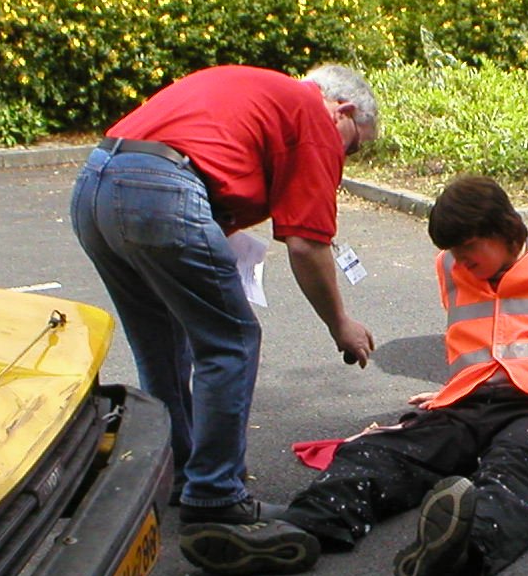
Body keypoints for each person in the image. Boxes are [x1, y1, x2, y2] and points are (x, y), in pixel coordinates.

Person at [178, 176, 528, 576]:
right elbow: (479, 335)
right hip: (469, 398)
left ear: (508, 231)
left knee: (519, 470)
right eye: (454, 253)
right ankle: (302, 527)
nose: (460, 262)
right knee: (384, 453)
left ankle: (461, 552)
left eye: (469, 250)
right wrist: (452, 389)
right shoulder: (451, 266)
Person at [70, 63, 379, 546]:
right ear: (344, 111)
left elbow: (212, 160)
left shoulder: (262, 93)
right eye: (353, 146)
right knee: (231, 342)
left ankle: (182, 470)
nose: (344, 160)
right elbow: (307, 244)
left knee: (162, 345)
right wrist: (341, 323)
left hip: (96, 185)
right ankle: (216, 497)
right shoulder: (314, 116)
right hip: (159, 191)